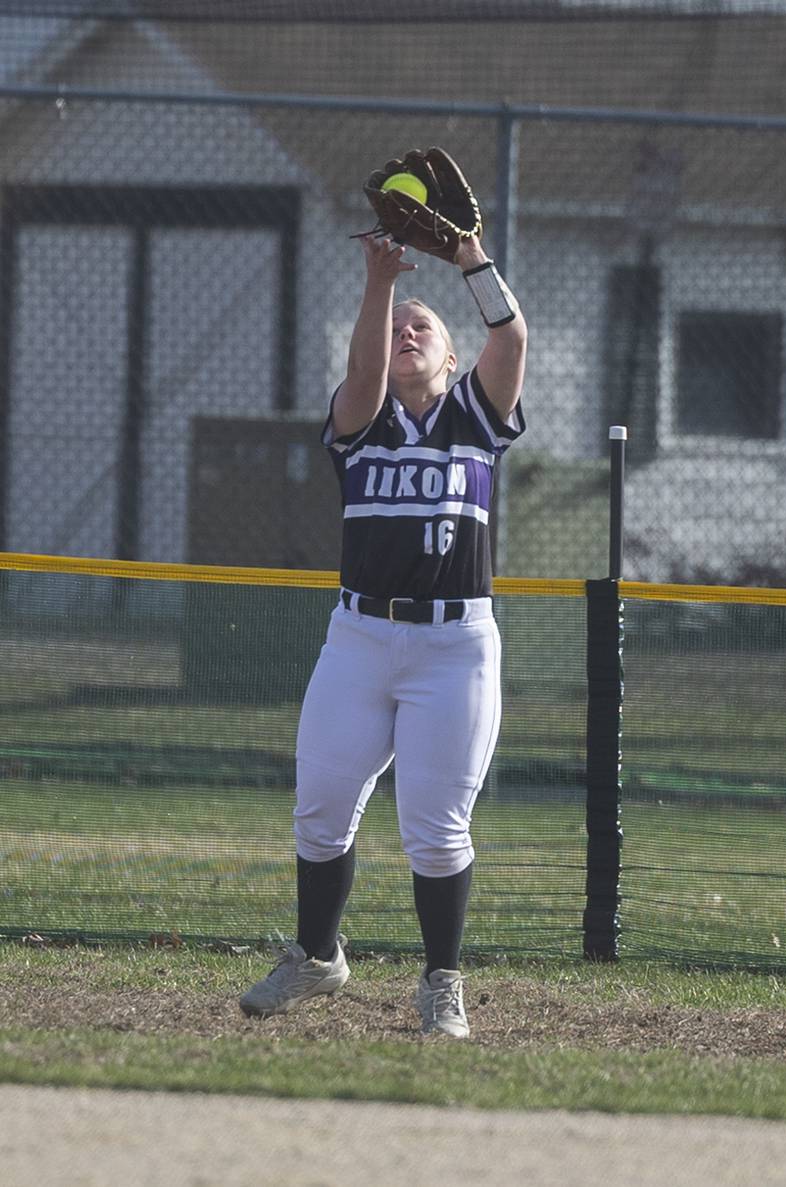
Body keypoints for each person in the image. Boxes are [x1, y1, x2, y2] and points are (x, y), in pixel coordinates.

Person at [240, 228, 527, 1037]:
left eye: (422, 326)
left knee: (436, 832)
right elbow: (365, 372)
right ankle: (317, 957)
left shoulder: (476, 413)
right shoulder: (360, 423)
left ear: (450, 355)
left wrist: (470, 256)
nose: (407, 331)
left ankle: (441, 981)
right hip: (360, 639)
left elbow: (510, 336)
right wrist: (381, 282)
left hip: (454, 646)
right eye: (398, 324)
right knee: (320, 811)